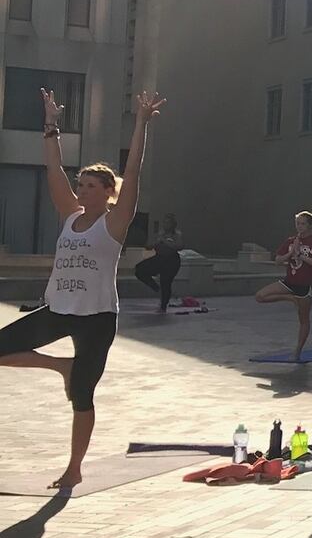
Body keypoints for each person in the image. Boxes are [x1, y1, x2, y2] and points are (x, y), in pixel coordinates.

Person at [0, 89, 163, 489]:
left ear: (108, 191)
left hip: (96, 318)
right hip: (58, 309)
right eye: (82, 184)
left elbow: (135, 170)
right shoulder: (70, 216)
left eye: (91, 185)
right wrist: (51, 126)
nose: (82, 189)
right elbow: (53, 170)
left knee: (83, 396)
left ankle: (74, 467)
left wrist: (141, 123)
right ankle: (60, 366)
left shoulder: (114, 223)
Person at [255, 212, 312, 360]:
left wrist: (300, 255)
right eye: (297, 223)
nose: (299, 226)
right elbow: (278, 260)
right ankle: (289, 298)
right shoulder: (290, 241)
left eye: (302, 224)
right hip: (289, 283)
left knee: (304, 320)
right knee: (260, 296)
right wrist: (291, 253)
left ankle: (297, 352)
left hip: (304, 287)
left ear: (310, 226)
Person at [135, 213, 183, 313]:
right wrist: (153, 244)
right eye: (164, 222)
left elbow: (179, 246)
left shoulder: (176, 234)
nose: (165, 225)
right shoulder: (160, 233)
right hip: (159, 258)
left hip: (171, 260)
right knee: (139, 269)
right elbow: (151, 245)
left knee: (165, 281)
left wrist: (165, 241)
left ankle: (163, 306)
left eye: (168, 223)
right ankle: (157, 288)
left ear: (172, 224)